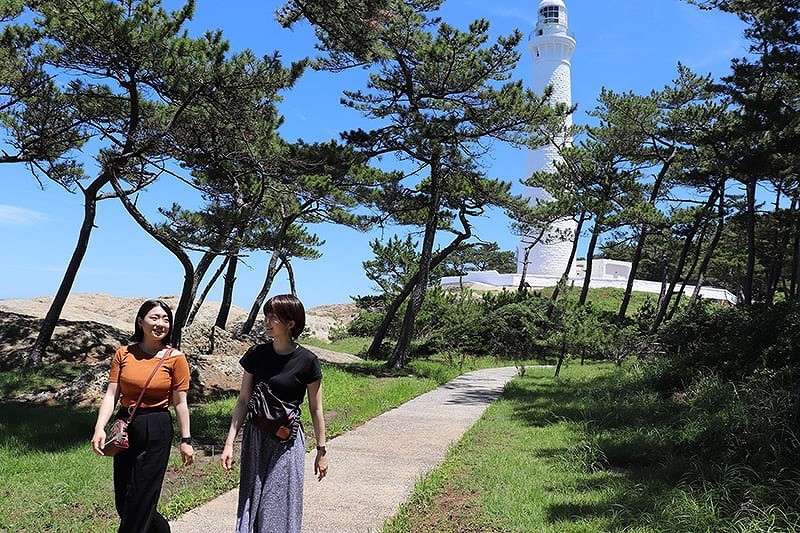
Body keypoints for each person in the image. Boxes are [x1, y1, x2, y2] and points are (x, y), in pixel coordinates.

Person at [221, 294, 328, 533]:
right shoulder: (256, 354)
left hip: (287, 441)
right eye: (266, 316)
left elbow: (316, 408)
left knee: (279, 503)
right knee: (252, 499)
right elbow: (243, 400)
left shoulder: (308, 360)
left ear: (290, 324)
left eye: (274, 317)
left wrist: (321, 451)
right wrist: (229, 443)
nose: (267, 321)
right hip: (256, 438)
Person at [91, 299, 194, 533]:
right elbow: (111, 394)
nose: (161, 324)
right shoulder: (123, 353)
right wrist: (100, 427)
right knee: (124, 501)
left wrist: (186, 440)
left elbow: (180, 402)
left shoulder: (175, 358)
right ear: (140, 321)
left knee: (142, 497)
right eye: (154, 317)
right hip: (125, 424)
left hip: (156, 427)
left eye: (166, 319)